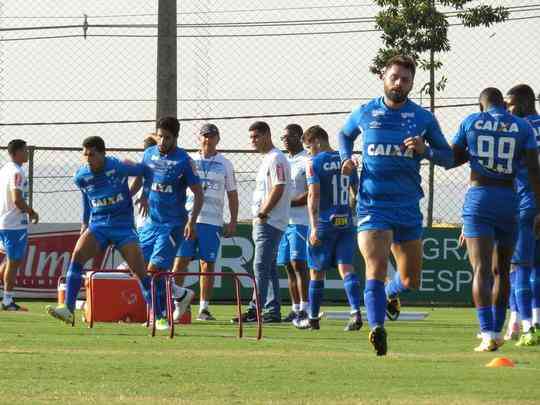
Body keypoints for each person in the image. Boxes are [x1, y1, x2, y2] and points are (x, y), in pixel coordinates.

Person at [338, 55, 453, 355]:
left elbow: (449, 158)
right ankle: (377, 328)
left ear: (412, 83)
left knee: (410, 279)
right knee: (374, 267)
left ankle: (391, 295)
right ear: (383, 78)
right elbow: (344, 134)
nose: (399, 83)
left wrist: (426, 149)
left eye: (405, 79)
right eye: (394, 77)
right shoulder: (366, 112)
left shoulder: (423, 119)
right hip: (372, 205)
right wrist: (345, 158)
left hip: (407, 207)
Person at [452, 87, 540, 352]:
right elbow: (534, 168)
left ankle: (506, 328)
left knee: (494, 269)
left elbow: (452, 157)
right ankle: (508, 325)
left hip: (497, 199)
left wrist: (427, 151)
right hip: (514, 201)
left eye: (513, 104)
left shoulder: (474, 122)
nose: (510, 109)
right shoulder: (522, 128)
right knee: (510, 268)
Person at [46, 136, 154, 324]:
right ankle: (68, 309)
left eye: (92, 154)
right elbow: (87, 199)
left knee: (140, 272)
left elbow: (146, 171)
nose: (88, 158)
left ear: (103, 154)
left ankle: (158, 316)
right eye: (85, 154)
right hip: (99, 225)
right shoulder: (81, 176)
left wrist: (145, 196)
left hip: (123, 227)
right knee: (77, 256)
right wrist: (84, 223)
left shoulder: (118, 166)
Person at [134, 117, 204, 330]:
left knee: (155, 269)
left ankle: (161, 316)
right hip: (150, 224)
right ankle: (179, 294)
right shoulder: (149, 154)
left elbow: (199, 194)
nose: (162, 141)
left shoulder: (184, 160)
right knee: (139, 270)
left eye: (167, 137)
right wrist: (137, 195)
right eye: (159, 136)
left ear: (176, 138)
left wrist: (191, 222)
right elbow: (141, 178)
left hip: (173, 225)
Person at [293, 125, 363, 332]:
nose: (308, 151)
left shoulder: (314, 163)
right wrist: (350, 212)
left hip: (324, 222)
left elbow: (313, 195)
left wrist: (314, 227)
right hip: (346, 221)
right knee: (346, 268)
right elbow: (355, 191)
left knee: (316, 272)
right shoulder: (346, 160)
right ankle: (355, 312)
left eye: (308, 147)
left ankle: (313, 318)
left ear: (316, 141)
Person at [172, 123, 238, 321]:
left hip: (212, 221)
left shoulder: (226, 164)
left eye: (212, 136)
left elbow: (232, 194)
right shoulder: (189, 161)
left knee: (207, 264)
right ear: (198, 138)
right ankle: (175, 302)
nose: (208, 139)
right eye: (204, 136)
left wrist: (233, 221)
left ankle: (204, 309)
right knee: (180, 261)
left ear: (218, 139)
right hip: (188, 220)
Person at [232, 121, 291, 323]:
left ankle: (255, 308)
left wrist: (263, 212)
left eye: (256, 137)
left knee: (260, 266)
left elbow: (279, 187)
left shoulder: (276, 158)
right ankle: (272, 310)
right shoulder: (268, 159)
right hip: (266, 221)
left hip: (270, 221)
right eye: (251, 137)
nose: (252, 141)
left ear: (266, 135)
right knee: (269, 267)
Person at [503, 84, 540, 346]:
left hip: (526, 204)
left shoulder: (517, 130)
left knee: (518, 267)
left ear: (525, 103)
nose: (507, 109)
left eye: (511, 104)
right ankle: (525, 321)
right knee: (535, 267)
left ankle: (525, 326)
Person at [0, 139, 39, 311]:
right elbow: (17, 199)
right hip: (14, 224)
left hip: (4, 221)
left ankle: (7, 298)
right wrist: (31, 211)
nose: (27, 153)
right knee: (14, 262)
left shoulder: (5, 169)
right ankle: (7, 301)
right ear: (16, 152)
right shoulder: (17, 172)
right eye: (24, 150)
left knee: (10, 261)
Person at [277, 124, 310, 322]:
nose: (285, 140)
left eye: (289, 136)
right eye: (283, 137)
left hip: (301, 220)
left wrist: (289, 202)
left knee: (299, 264)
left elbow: (312, 191)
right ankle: (295, 307)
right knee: (288, 265)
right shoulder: (282, 161)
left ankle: (305, 307)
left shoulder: (307, 160)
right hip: (283, 221)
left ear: (299, 137)